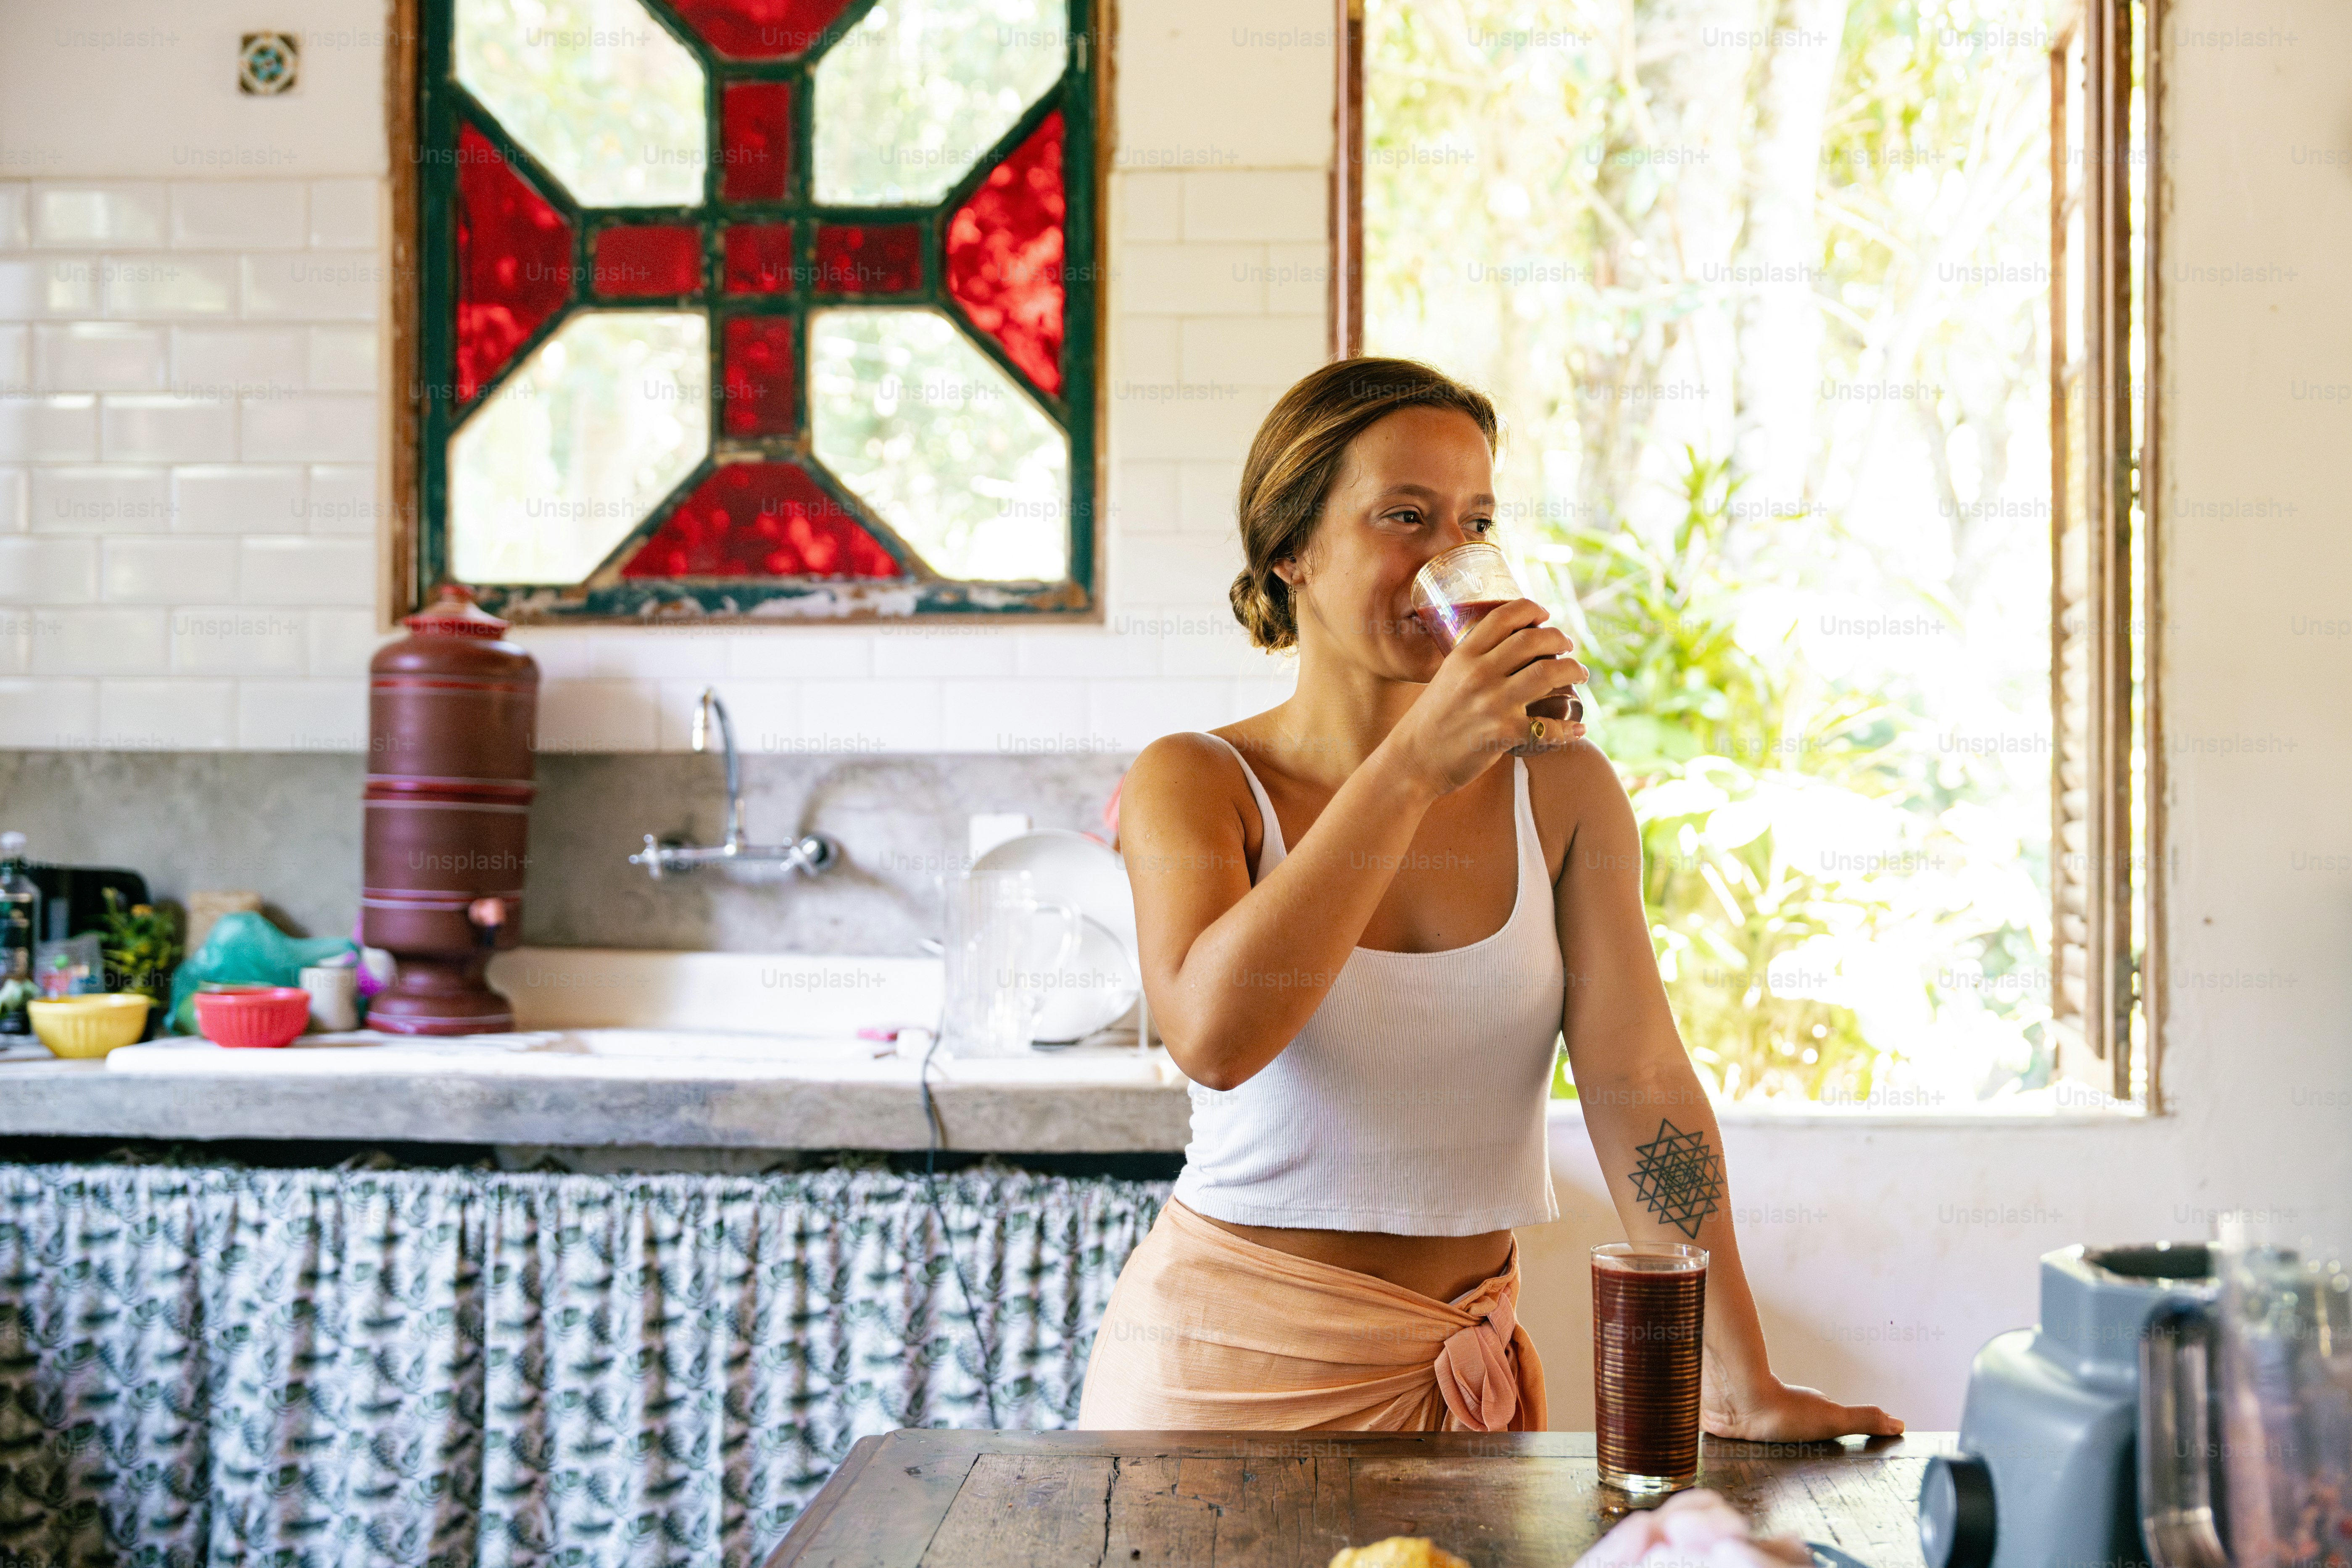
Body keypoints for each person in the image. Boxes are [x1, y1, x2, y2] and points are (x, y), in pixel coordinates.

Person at [1078, 357, 1900, 1440]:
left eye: (1475, 522)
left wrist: (1738, 1378)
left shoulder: (1562, 789)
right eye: (1404, 517)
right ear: (1292, 552)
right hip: (1228, 1368)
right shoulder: (1196, 780)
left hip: (1465, 1375)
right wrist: (1414, 766)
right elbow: (1217, 1037)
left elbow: (1640, 1081)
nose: (1450, 560)